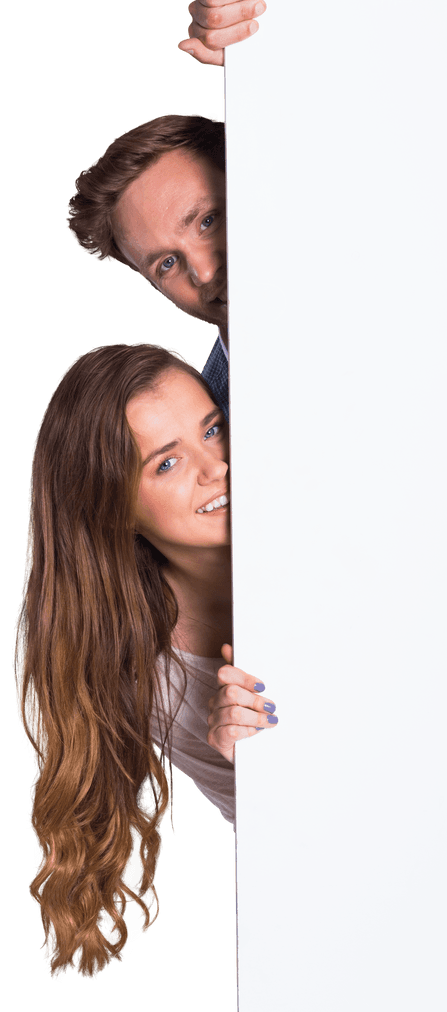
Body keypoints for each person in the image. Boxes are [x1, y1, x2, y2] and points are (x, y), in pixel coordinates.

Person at [14, 342, 278, 980]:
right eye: (167, 463)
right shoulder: (149, 677)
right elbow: (270, 862)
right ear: (114, 508)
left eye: (213, 429)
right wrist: (264, 773)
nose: (217, 466)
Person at [66, 0, 267, 422]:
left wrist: (261, 55)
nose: (205, 271)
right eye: (167, 264)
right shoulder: (212, 433)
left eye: (208, 220)